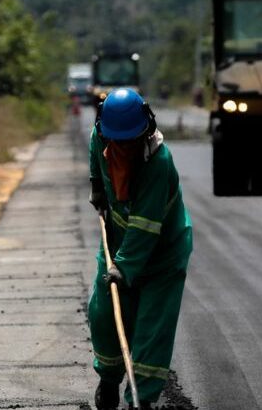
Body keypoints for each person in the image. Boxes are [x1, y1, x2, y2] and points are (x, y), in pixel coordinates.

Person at [87, 88, 193, 409]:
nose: (123, 147)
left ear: (145, 130)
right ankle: (108, 380)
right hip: (119, 243)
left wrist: (124, 267)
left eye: (130, 140)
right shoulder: (102, 135)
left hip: (162, 254)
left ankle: (141, 400)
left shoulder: (157, 162)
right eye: (116, 140)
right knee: (105, 313)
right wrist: (97, 186)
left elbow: (146, 226)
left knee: (151, 328)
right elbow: (96, 155)